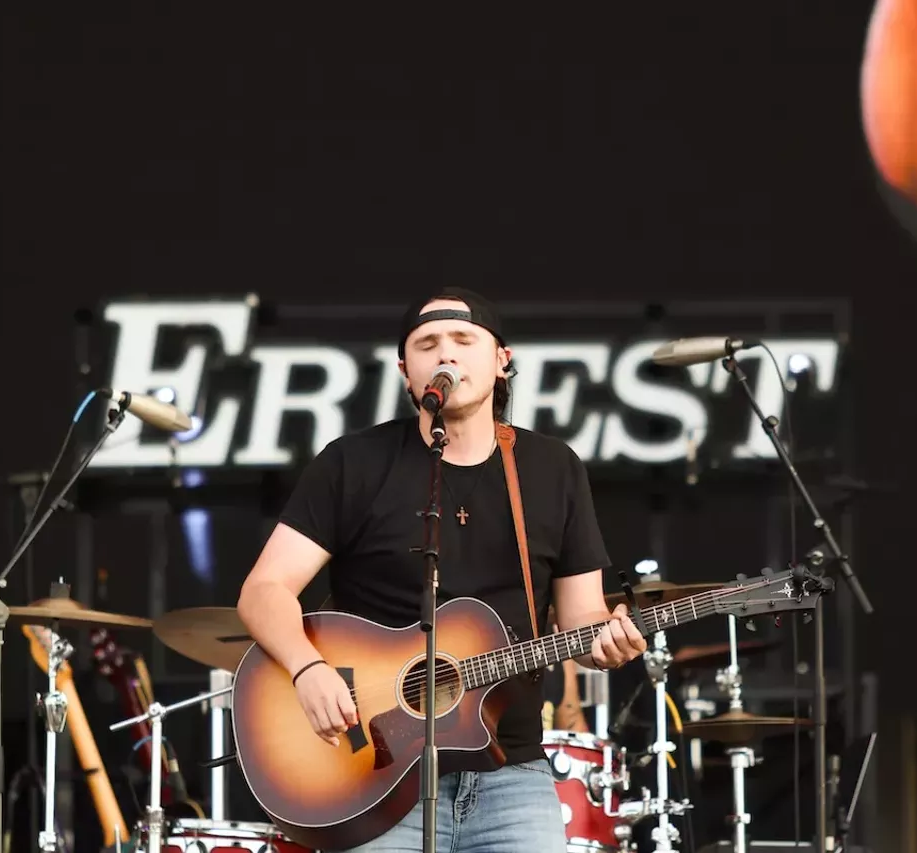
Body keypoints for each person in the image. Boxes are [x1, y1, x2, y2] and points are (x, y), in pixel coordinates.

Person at [236, 287, 647, 852]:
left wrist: (606, 642)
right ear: (407, 372)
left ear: (502, 361)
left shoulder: (552, 469)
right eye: (428, 344)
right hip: (374, 773)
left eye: (463, 340)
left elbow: (582, 621)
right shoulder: (353, 464)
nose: (446, 355)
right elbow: (263, 590)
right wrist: (308, 669)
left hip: (512, 773)